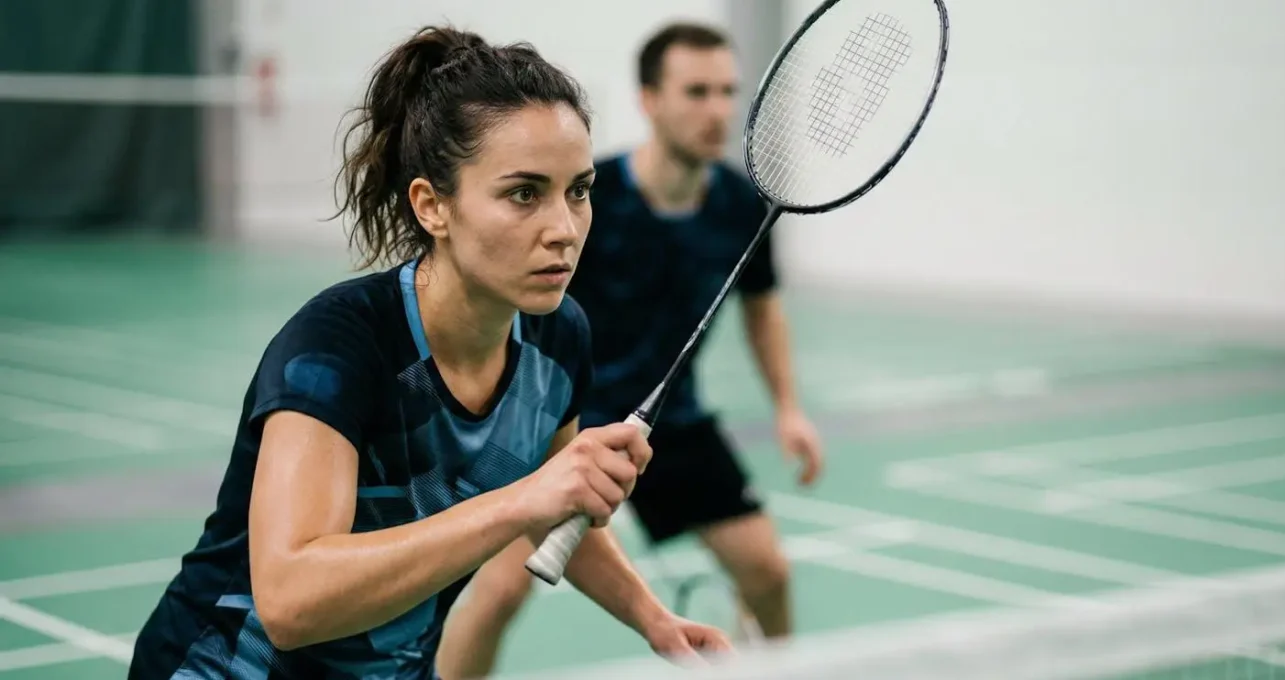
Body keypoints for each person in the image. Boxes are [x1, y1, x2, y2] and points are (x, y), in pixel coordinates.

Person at [126, 25, 730, 680]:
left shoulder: (557, 340)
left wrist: (653, 620)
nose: (563, 228)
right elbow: (289, 601)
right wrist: (522, 500)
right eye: (523, 193)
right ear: (432, 206)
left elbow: (558, 509)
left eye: (578, 191)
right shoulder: (339, 346)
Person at [437, 21, 824, 680]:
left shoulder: (741, 205)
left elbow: (762, 308)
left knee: (767, 571)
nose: (716, 110)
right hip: (565, 423)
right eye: (695, 91)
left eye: (726, 92)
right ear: (649, 99)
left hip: (669, 421)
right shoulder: (591, 199)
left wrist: (788, 407)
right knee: (499, 592)